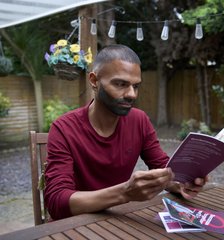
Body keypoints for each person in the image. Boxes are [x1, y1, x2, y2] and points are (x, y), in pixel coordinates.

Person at [44, 44, 207, 220]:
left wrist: (180, 183)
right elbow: (56, 202)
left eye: (135, 86)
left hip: (119, 219)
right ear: (94, 80)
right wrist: (125, 193)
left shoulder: (139, 121)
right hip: (76, 223)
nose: (132, 94)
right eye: (121, 84)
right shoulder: (63, 128)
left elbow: (162, 167)